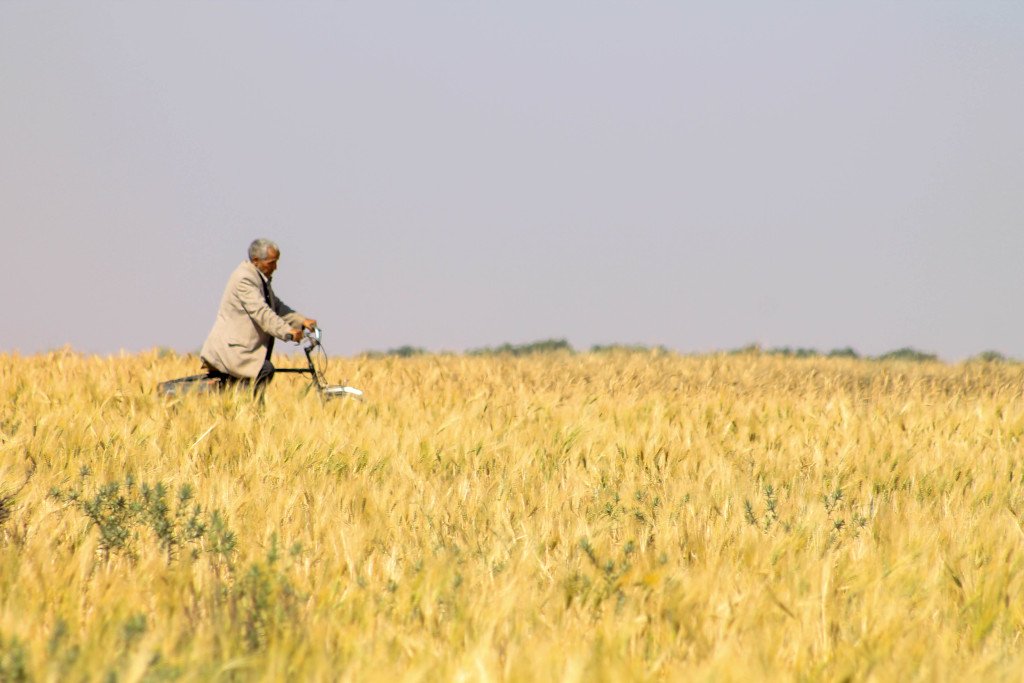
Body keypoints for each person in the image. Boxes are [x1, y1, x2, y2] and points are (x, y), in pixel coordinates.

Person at [200, 239, 317, 394]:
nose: (275, 267)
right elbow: (262, 312)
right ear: (256, 261)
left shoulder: (259, 279)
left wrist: (301, 321)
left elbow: (276, 306)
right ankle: (249, 410)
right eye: (271, 263)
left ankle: (251, 408)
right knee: (265, 369)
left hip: (243, 349)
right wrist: (287, 331)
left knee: (261, 372)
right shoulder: (245, 279)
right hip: (233, 350)